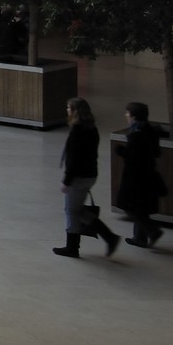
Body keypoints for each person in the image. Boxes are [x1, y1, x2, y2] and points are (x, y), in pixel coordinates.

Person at [50, 97, 120, 258]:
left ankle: (72, 247)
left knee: (71, 211)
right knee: (78, 209)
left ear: (75, 112)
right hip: (90, 174)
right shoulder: (92, 129)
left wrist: (67, 181)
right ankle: (110, 237)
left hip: (78, 177)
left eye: (69, 108)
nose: (67, 111)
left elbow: (74, 159)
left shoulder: (77, 131)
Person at [116, 101, 167, 249]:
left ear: (134, 116)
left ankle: (152, 230)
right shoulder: (150, 130)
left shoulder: (136, 134)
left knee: (130, 206)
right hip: (148, 173)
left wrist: (121, 151)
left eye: (128, 113)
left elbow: (133, 157)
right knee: (141, 206)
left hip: (135, 177)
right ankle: (140, 238)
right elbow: (156, 152)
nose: (126, 115)